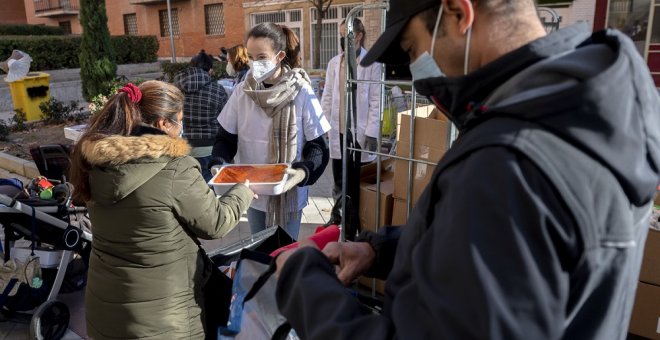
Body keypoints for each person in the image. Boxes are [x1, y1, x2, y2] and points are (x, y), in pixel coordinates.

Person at [274, 0, 660, 338]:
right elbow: (511, 244)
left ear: (459, 12)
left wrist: (303, 281)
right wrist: (381, 250)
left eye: (412, 48)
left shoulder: (509, 160)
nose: (414, 69)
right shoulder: (581, 103)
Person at [69, 80, 254, 339]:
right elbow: (216, 224)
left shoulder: (95, 161)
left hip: (104, 310)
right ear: (162, 125)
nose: (181, 127)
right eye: (179, 120)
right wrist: (244, 190)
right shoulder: (175, 168)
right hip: (162, 319)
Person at [211, 22, 331, 240]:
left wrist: (303, 173)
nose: (255, 64)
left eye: (262, 57)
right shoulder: (242, 92)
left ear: (279, 55)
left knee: (285, 252)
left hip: (287, 191)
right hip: (251, 190)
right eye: (251, 57)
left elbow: (318, 146)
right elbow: (226, 138)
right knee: (260, 248)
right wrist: (218, 163)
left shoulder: (301, 91)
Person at [321, 18, 382, 224]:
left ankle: (355, 221)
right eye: (340, 35)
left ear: (359, 36)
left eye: (345, 35)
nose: (342, 40)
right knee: (339, 178)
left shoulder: (372, 64)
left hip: (360, 131)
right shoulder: (334, 63)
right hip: (338, 129)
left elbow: (376, 99)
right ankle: (339, 217)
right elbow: (328, 96)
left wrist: (373, 132)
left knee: (356, 179)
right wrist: (322, 127)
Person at [174, 49, 228, 182]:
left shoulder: (175, 89)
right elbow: (226, 121)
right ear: (209, 70)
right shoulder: (218, 90)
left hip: (183, 146)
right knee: (211, 185)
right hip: (211, 147)